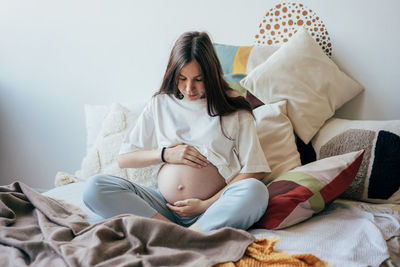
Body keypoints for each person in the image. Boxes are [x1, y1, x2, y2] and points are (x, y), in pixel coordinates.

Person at [83, 31, 271, 232]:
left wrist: (206, 204)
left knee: (256, 192)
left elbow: (254, 170)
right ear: (173, 74)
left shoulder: (234, 108)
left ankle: (190, 234)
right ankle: (177, 233)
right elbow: (125, 158)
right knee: (94, 188)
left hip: (214, 208)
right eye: (182, 78)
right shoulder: (161, 103)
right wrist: (166, 154)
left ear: (212, 75)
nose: (189, 88)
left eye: (198, 79)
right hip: (163, 207)